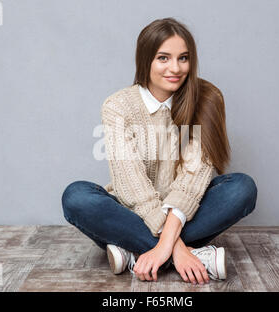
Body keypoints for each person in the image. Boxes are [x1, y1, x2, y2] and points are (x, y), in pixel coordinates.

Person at [62, 17, 257, 285]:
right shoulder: (118, 105)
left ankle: (132, 252)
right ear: (146, 61)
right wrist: (175, 249)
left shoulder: (207, 99)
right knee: (76, 197)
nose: (175, 68)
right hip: (132, 211)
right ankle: (190, 256)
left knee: (242, 188)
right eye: (163, 58)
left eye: (183, 58)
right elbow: (131, 186)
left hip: (185, 212)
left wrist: (165, 240)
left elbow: (192, 181)